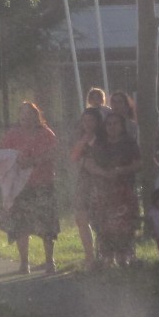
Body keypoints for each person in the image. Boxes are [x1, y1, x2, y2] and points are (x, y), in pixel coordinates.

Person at [0, 101, 60, 274]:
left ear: (36, 116)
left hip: (43, 184)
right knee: (21, 226)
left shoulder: (46, 134)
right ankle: (24, 263)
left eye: (30, 116)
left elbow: (54, 152)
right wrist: (16, 159)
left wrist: (35, 161)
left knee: (47, 225)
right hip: (20, 187)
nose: (26, 119)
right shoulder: (12, 134)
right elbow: (1, 154)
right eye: (23, 116)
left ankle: (49, 261)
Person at [83, 112, 142, 267]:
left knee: (124, 225)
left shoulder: (129, 142)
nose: (112, 127)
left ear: (122, 125)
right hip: (103, 190)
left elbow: (138, 164)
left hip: (124, 190)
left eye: (116, 123)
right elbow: (88, 163)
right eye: (109, 124)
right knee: (104, 225)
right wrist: (103, 173)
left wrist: (122, 170)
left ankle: (124, 256)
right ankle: (106, 257)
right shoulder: (99, 143)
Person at [69, 107, 105, 268]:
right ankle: (89, 256)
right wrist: (83, 141)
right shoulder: (80, 138)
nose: (88, 124)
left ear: (98, 122)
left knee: (101, 220)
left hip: (102, 182)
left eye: (91, 120)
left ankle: (103, 254)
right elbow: (74, 157)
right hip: (84, 182)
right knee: (81, 217)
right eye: (85, 121)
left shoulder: (104, 139)